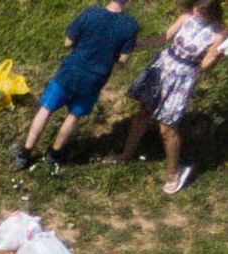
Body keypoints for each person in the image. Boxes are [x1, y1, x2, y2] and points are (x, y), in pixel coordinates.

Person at [107, 0, 228, 183]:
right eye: (195, 7)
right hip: (163, 67)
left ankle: (173, 171)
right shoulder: (186, 17)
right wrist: (134, 45)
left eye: (201, 10)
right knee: (143, 113)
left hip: (183, 78)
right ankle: (126, 153)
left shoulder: (220, 34)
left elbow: (205, 65)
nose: (196, 13)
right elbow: (164, 37)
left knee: (168, 128)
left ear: (211, 11)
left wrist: (217, 56)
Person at [25, 1, 148, 161]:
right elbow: (123, 60)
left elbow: (68, 42)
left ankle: (25, 152)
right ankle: (55, 154)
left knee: (46, 109)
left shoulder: (90, 13)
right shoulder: (131, 26)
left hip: (70, 70)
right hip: (95, 78)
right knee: (74, 115)